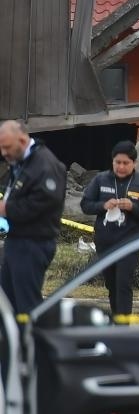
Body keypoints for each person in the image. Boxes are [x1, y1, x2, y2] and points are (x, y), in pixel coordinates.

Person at [80, 141, 139, 318]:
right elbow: (85, 205)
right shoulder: (100, 180)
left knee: (123, 284)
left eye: (126, 163)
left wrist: (133, 207)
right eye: (118, 162)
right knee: (112, 284)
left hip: (130, 243)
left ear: (134, 163)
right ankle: (116, 320)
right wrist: (102, 205)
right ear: (112, 161)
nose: (121, 167)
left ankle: (123, 325)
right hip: (105, 242)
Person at [0, 120, 66, 314]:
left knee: (26, 306)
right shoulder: (21, 162)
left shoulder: (45, 164)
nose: (4, 153)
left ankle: (32, 335)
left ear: (22, 140)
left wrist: (7, 209)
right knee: (7, 304)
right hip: (16, 240)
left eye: (7, 147)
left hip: (33, 243)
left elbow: (46, 202)